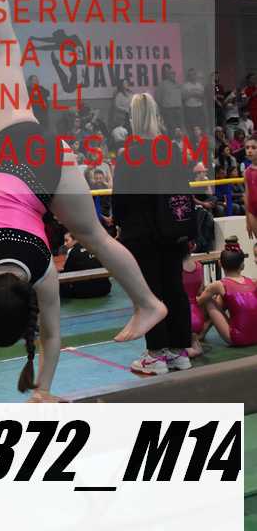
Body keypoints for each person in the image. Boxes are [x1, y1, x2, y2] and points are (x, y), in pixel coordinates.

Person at [0, 0, 166, 403]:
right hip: (13, 149)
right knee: (1, 43)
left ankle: (149, 302)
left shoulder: (42, 269)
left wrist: (39, 390)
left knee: (94, 237)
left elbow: (49, 338)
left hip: (49, 166)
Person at [112, 92, 193, 376]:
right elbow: (184, 190)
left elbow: (120, 200)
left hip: (142, 234)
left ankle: (156, 353)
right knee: (174, 288)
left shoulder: (128, 155)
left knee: (150, 293)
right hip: (173, 230)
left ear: (133, 118)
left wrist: (118, 225)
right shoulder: (173, 150)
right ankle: (179, 351)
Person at [197, 240, 257, 346]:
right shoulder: (253, 282)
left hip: (238, 338)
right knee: (223, 297)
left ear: (220, 264)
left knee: (208, 300)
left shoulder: (218, 285)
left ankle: (201, 331)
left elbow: (198, 302)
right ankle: (203, 332)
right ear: (242, 265)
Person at [59, 232, 111, 299]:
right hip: (105, 289)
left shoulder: (73, 252)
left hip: (84, 293)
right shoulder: (94, 247)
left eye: (67, 240)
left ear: (76, 239)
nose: (65, 244)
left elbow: (66, 272)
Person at [182, 243, 206, 357]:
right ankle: (194, 341)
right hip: (198, 318)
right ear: (194, 247)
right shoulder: (199, 266)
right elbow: (200, 291)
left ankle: (185, 347)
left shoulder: (174, 267)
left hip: (183, 317)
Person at [155, 64, 183, 134]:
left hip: (178, 110)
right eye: (171, 74)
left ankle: (178, 140)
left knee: (179, 128)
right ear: (167, 75)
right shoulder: (162, 84)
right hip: (168, 111)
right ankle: (171, 140)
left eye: (174, 73)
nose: (173, 75)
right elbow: (158, 99)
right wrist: (164, 109)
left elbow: (181, 96)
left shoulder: (178, 84)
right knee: (171, 129)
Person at [244, 136, 257, 239]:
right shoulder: (246, 172)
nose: (249, 150)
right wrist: (247, 219)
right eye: (247, 147)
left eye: (253, 147)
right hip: (252, 211)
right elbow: (247, 195)